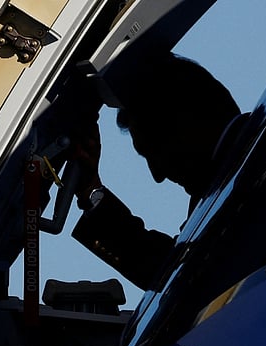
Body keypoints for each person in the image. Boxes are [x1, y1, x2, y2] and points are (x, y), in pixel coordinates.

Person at [69, 52, 244, 291]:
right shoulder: (236, 176)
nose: (157, 175)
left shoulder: (254, 178)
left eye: (154, 152)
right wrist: (90, 189)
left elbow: (183, 279)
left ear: (187, 125)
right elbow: (173, 271)